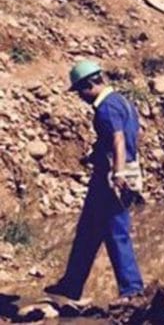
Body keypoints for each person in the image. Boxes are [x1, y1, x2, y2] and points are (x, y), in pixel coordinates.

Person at [44, 61, 145, 304]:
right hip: (118, 171)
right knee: (88, 231)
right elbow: (126, 138)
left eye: (80, 91)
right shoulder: (122, 101)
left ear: (90, 85)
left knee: (116, 231)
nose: (80, 97)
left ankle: (132, 290)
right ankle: (71, 285)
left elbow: (119, 141)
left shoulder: (106, 108)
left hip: (111, 178)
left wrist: (118, 174)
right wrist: (98, 153)